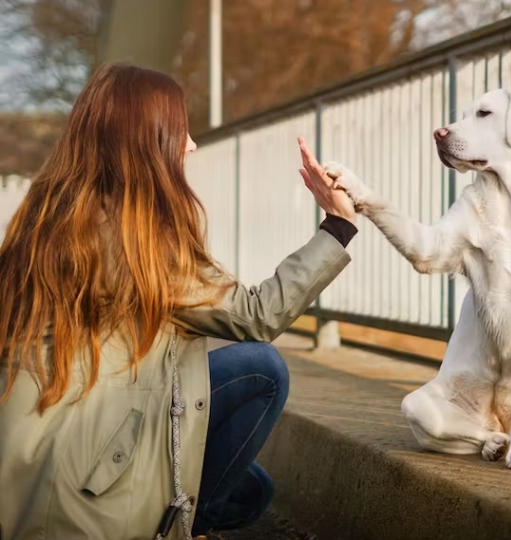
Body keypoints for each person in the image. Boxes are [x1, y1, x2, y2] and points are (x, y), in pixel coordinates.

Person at [0, 63, 357, 540]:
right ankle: (181, 526)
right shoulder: (135, 239)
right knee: (262, 367)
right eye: (181, 130)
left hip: (36, 452)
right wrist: (338, 226)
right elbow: (256, 314)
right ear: (150, 140)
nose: (191, 145)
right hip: (81, 492)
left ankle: (189, 517)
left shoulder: (51, 210)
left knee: (252, 490)